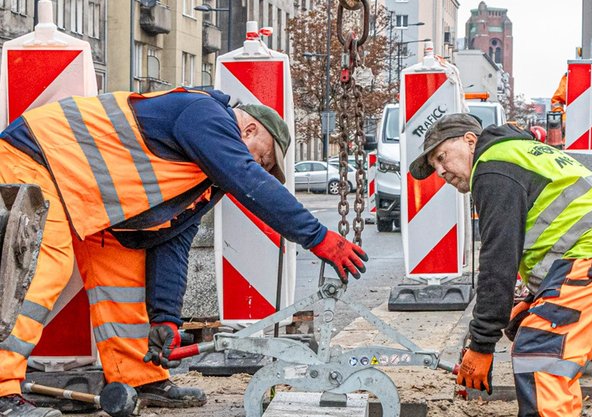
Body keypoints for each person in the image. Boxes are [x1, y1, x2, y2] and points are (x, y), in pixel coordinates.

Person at [0, 88, 368, 416]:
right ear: (250, 131)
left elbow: (171, 242)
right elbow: (247, 179)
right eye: (266, 159)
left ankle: (141, 378)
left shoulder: (201, 181)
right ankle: (2, 390)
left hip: (94, 201)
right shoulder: (204, 113)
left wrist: (166, 319)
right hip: (39, 156)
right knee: (44, 270)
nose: (262, 168)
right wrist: (316, 236)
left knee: (124, 278)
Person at [410, 114, 592, 417]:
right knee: (556, 355)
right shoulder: (515, 153)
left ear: (470, 141)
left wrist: (482, 344)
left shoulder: (491, 167)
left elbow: (498, 258)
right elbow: (552, 231)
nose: (441, 171)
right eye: (435, 167)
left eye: (442, 157)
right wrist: (534, 299)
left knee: (540, 351)